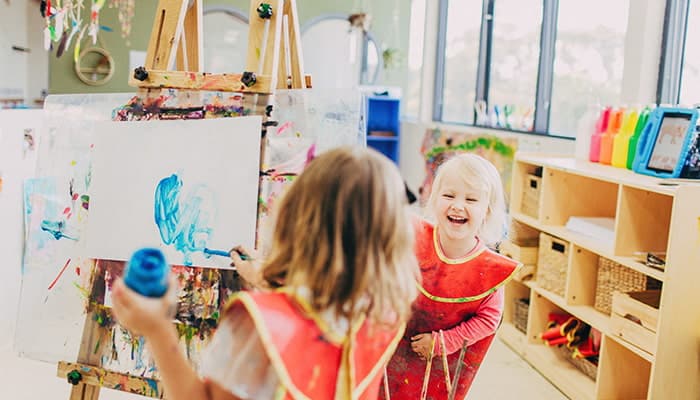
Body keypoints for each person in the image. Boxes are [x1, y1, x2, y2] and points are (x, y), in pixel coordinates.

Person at [111, 147, 420, 400]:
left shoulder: (259, 326)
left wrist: (157, 329)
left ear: (294, 219)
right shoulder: (382, 314)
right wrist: (265, 280)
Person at [383, 153, 521, 399]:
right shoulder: (412, 238)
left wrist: (444, 342)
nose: (458, 205)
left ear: (487, 211)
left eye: (471, 199)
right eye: (449, 195)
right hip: (392, 348)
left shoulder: (488, 269)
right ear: (434, 200)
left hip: (440, 364)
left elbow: (489, 319)